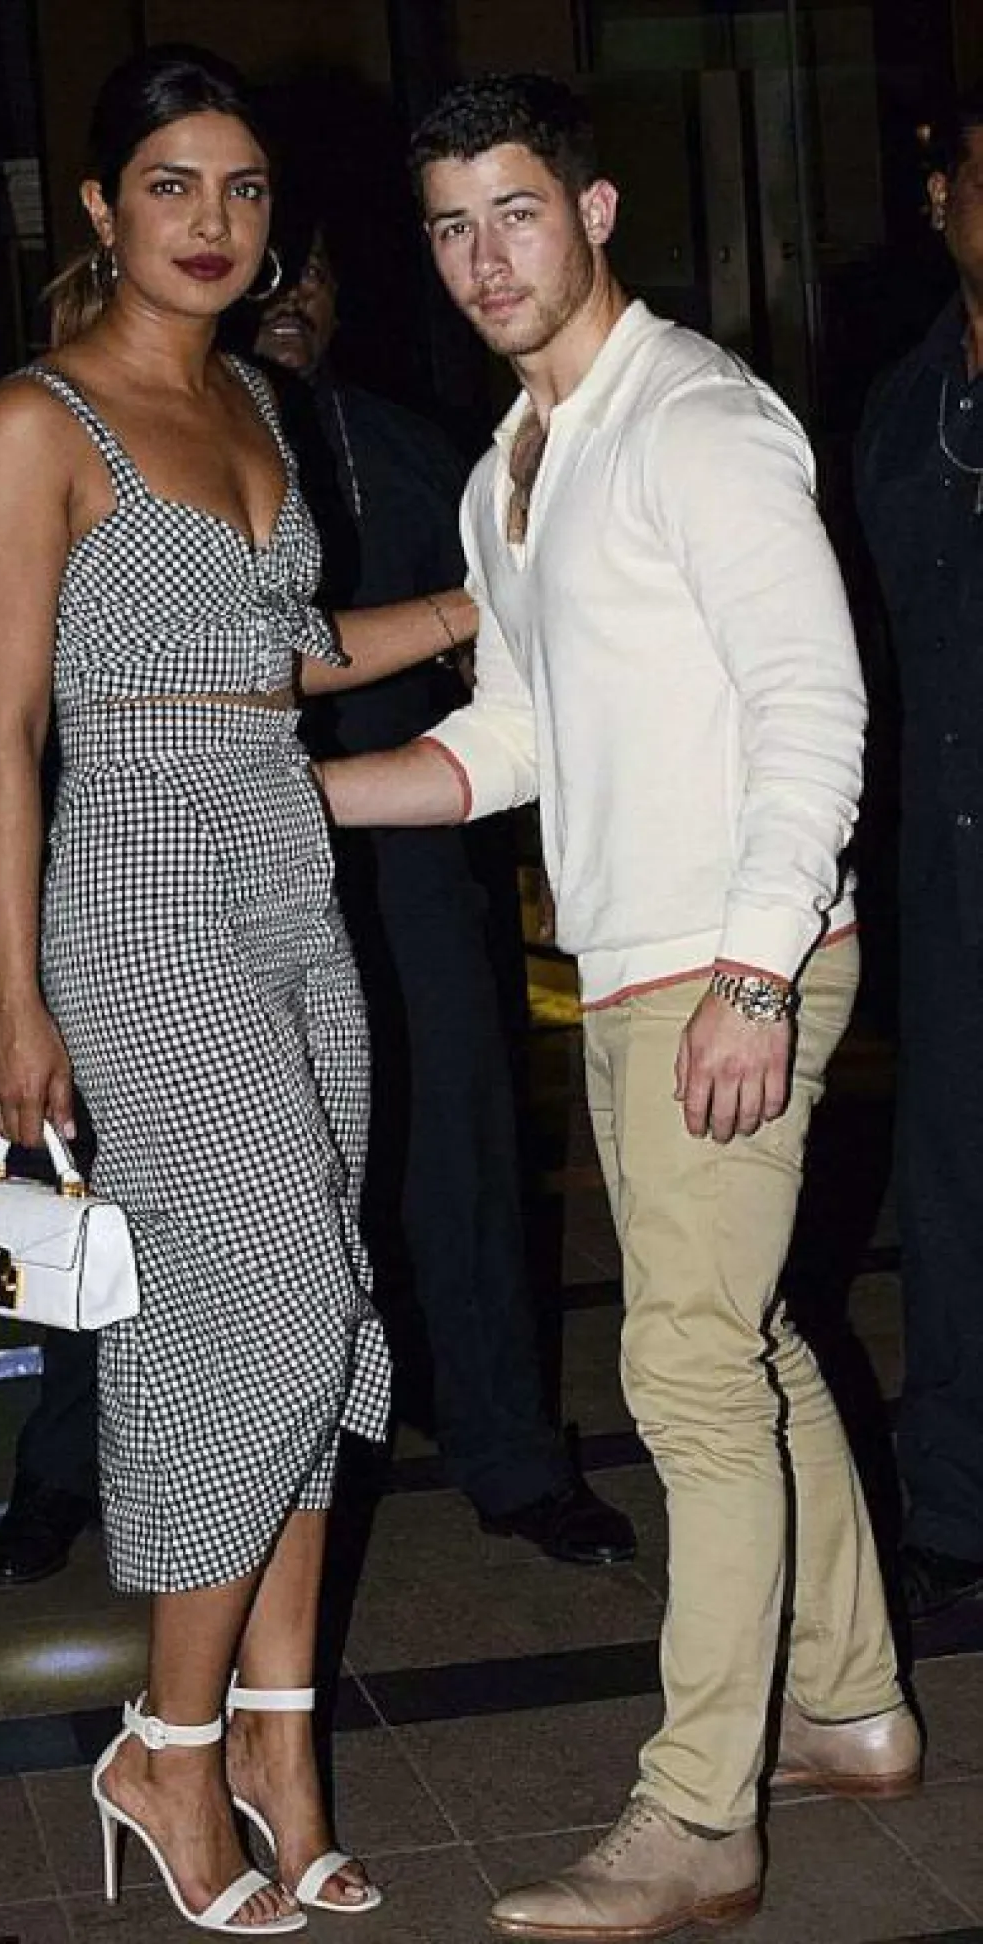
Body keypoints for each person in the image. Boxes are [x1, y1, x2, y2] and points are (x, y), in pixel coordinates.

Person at [316, 73, 916, 1943]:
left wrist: (753, 972)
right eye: (449, 225)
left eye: (515, 211)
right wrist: (299, 794)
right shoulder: (517, 462)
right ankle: (856, 1708)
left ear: (593, 211)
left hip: (727, 965)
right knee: (747, 1342)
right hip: (636, 966)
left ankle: (698, 1816)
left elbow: (814, 706)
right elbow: (514, 737)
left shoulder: (695, 420)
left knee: (683, 1373)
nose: (483, 257)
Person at [0, 44, 477, 1934]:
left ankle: (276, 1740)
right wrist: (10, 1001)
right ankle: (166, 1748)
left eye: (244, 190)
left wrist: (481, 604)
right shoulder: (34, 424)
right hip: (139, 890)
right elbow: (5, 737)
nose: (213, 222)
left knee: (323, 1312)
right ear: (102, 207)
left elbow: (280, 651)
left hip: (283, 867)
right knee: (267, 1304)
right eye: (173, 184)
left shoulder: (255, 398)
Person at [252, 215, 634, 1563]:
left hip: (410, 858)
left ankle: (509, 1452)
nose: (288, 293)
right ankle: (87, 1460)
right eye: (266, 268)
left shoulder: (417, 453)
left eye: (312, 267)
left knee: (464, 1150)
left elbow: (519, 669)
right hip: (226, 865)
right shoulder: (166, 442)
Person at [854, 88, 983, 1623]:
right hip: (940, 875)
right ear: (942, 194)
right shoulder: (901, 403)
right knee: (948, 1191)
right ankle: (955, 1496)